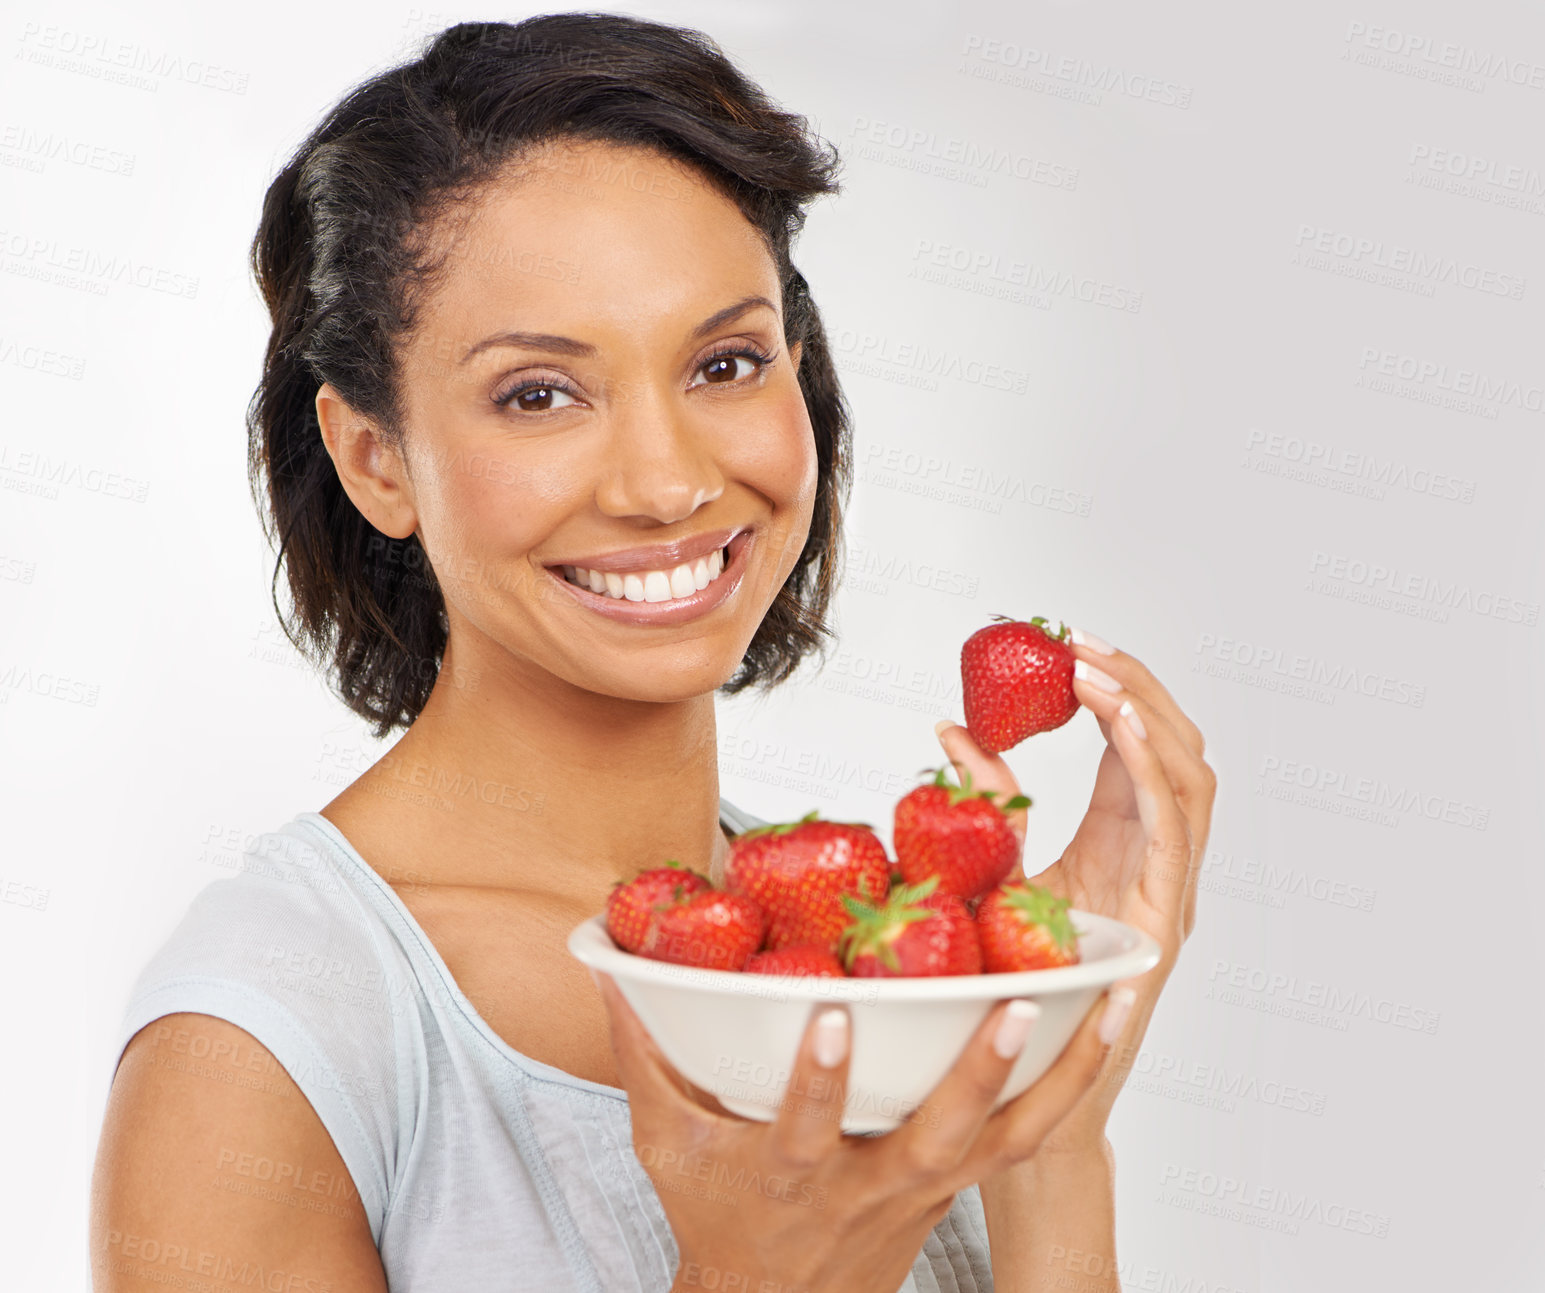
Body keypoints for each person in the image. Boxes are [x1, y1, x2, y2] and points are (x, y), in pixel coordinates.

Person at [90, 13, 1216, 1293]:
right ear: (375, 456)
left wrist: (1048, 1100)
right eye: (539, 393)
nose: (670, 481)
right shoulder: (261, 1046)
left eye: (724, 363)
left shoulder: (863, 950)